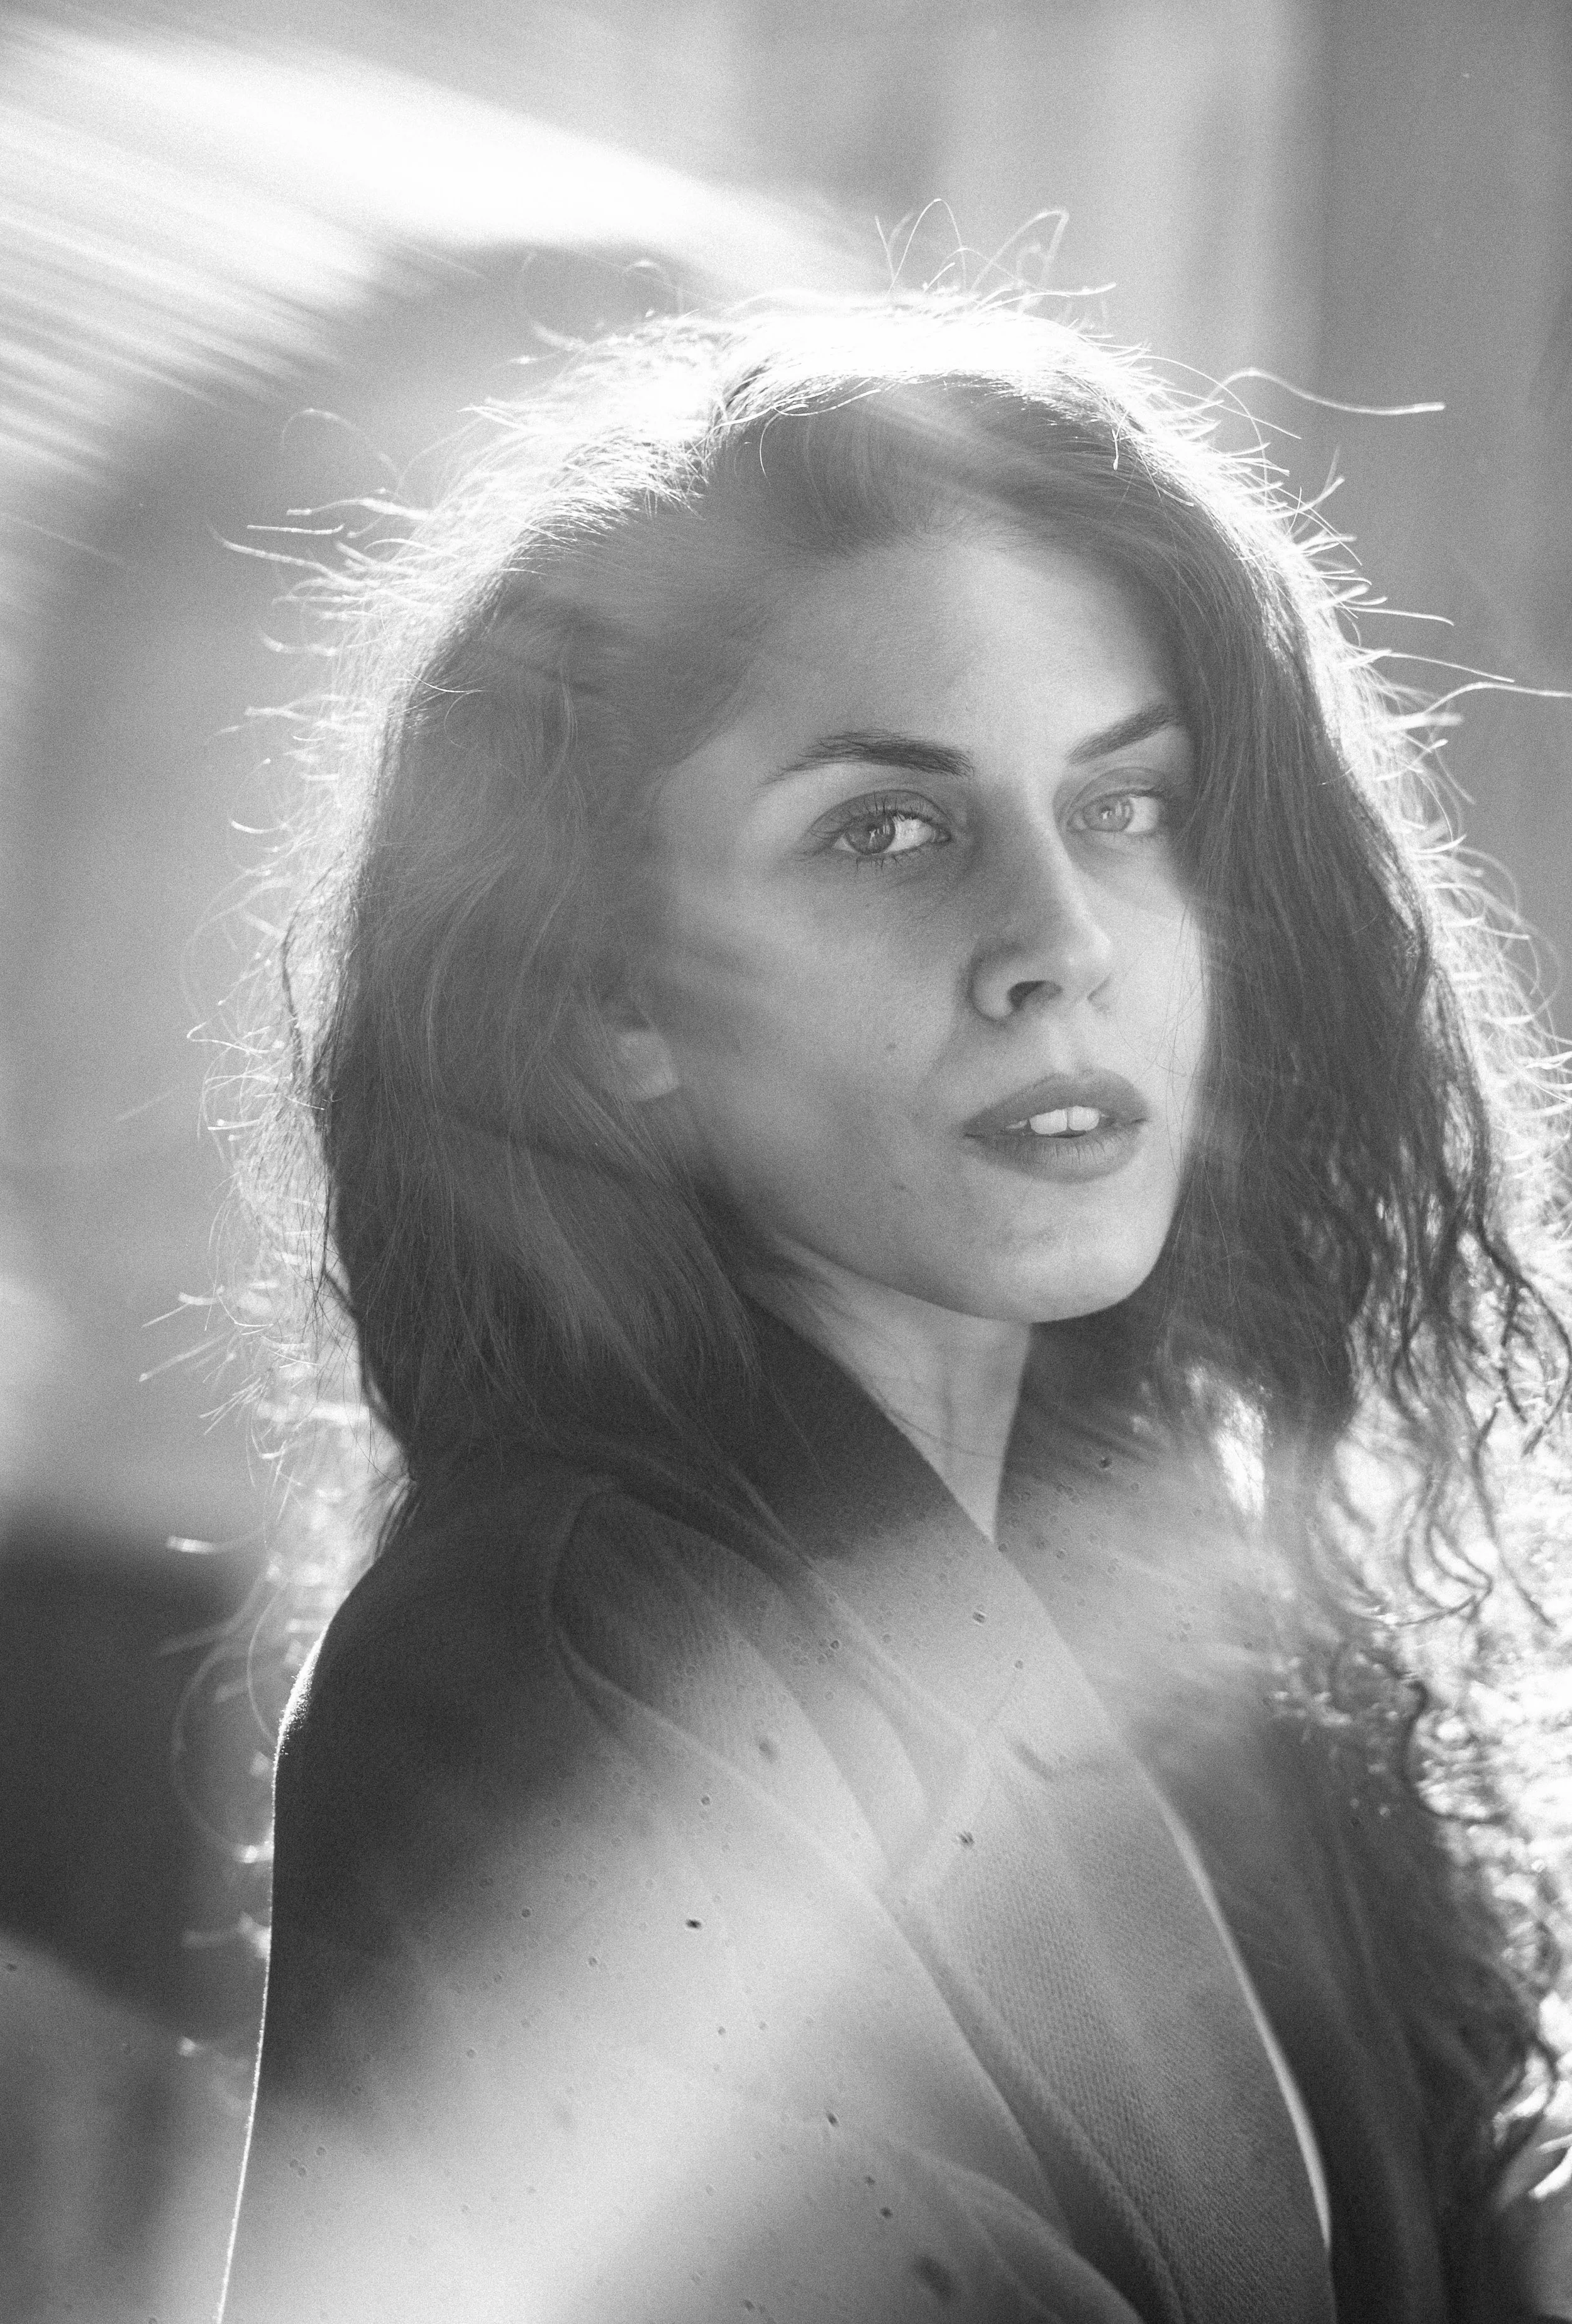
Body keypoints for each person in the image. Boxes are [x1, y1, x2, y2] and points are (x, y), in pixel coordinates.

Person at [219, 295, 1572, 2323]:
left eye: (1126, 807)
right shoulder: (546, 1658)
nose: (1059, 939)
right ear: (607, 1001)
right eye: (888, 831)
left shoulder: (1163, 1589)